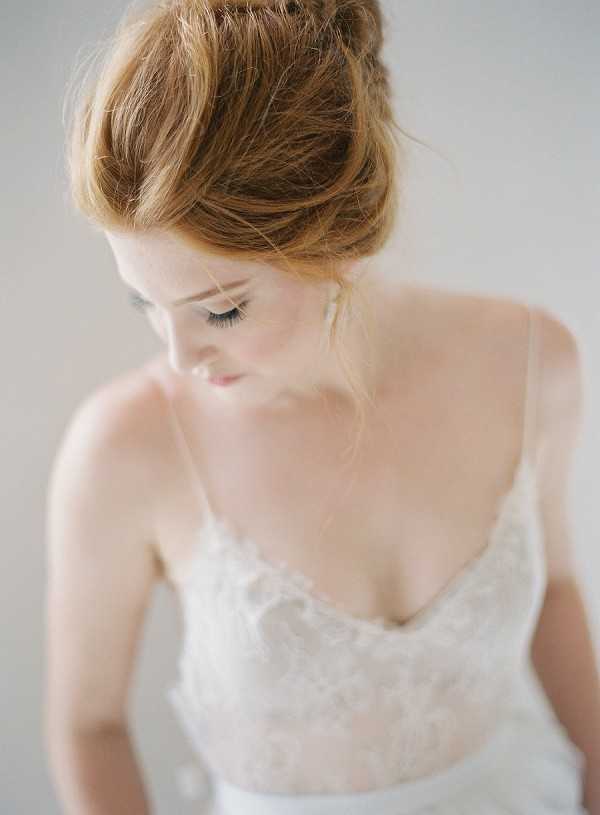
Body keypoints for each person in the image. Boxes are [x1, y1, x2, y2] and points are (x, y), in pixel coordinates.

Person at [45, 1, 599, 813]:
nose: (180, 356)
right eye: (144, 304)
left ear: (336, 239)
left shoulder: (529, 363)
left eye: (222, 309)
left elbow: (552, 588)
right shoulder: (124, 449)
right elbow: (89, 723)